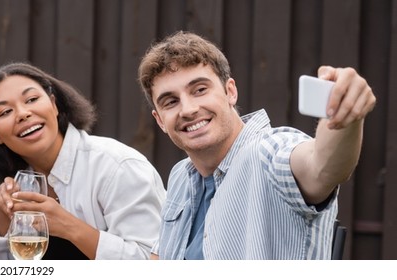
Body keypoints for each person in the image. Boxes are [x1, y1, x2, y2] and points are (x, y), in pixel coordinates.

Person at [137, 31, 376, 259]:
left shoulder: (268, 151)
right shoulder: (181, 175)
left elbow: (322, 168)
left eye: (200, 90)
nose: (188, 109)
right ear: (160, 121)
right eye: (170, 101)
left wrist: (343, 116)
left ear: (230, 92)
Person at [0, 62, 166, 259]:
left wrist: (69, 226)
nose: (23, 114)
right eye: (5, 112)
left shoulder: (116, 166)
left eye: (31, 99)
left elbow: (153, 261)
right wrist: (1, 219)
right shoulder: (21, 185)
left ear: (53, 104)